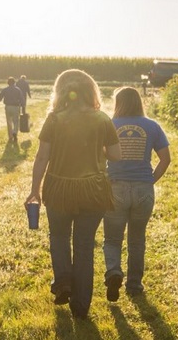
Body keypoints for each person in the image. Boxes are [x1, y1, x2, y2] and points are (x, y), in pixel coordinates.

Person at [24, 69, 121, 319]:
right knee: (84, 245)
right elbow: (116, 155)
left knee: (58, 236)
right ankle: (81, 306)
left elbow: (42, 156)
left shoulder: (54, 119)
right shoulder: (102, 119)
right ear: (91, 92)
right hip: (93, 189)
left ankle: (64, 281)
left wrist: (35, 190)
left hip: (59, 188)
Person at [102, 86, 171, 302]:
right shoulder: (151, 126)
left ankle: (113, 272)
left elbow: (98, 155)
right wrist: (150, 180)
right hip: (143, 189)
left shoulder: (110, 125)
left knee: (112, 239)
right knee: (137, 239)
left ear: (118, 103)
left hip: (115, 188)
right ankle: (134, 285)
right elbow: (165, 158)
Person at [0, 77, 25, 143]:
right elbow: (22, 99)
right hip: (15, 107)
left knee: (9, 122)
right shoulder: (18, 90)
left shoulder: (5, 90)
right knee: (16, 122)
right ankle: (15, 133)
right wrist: (23, 108)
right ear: (14, 83)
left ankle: (10, 137)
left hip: (8, 107)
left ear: (8, 83)